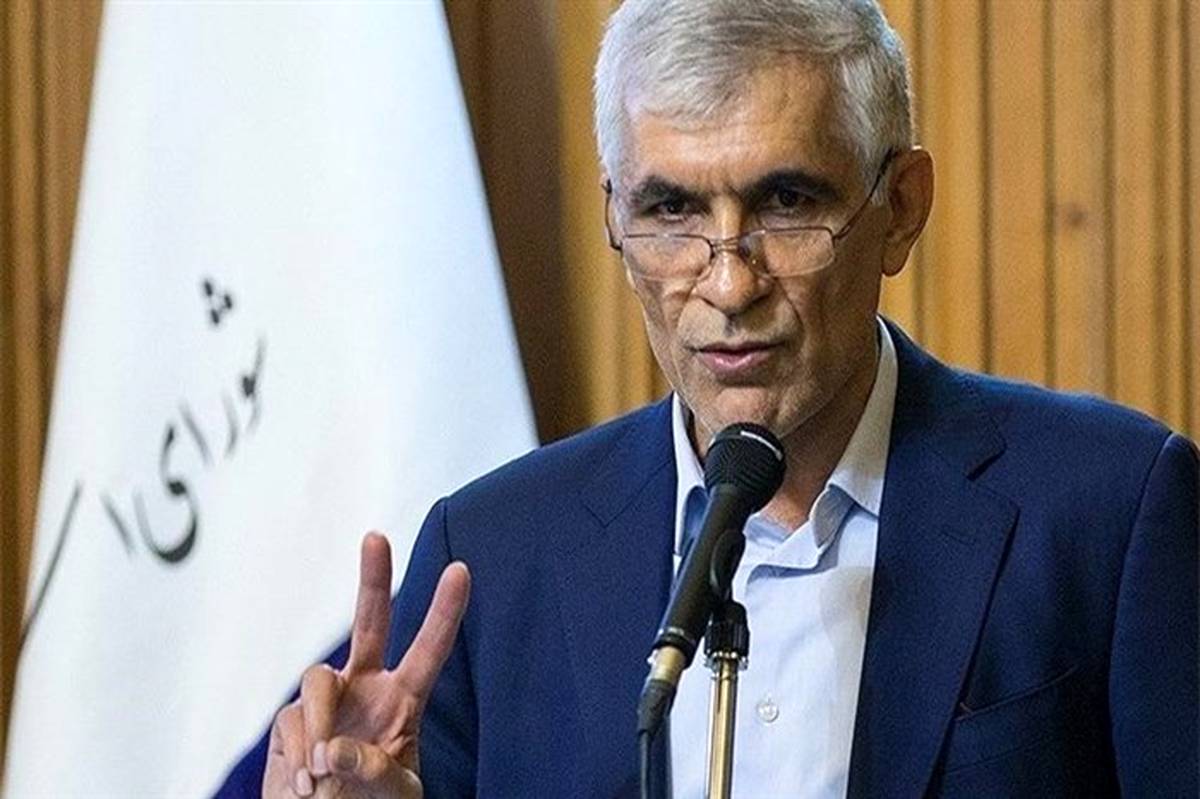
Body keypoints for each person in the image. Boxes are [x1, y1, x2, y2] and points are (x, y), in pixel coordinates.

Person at [227, 1, 1198, 796]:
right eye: (672, 209)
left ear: (900, 207)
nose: (729, 284)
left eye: (786, 203)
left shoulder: (1111, 513)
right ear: (616, 218)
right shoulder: (489, 556)